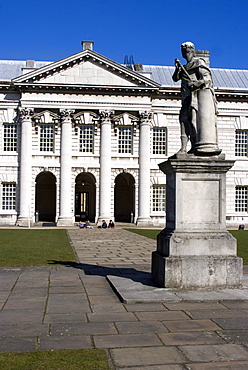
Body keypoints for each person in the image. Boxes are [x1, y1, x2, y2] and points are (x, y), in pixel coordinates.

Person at [172, 41, 221, 155]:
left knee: (194, 121)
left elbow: (207, 80)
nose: (186, 53)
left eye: (188, 51)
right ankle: (183, 147)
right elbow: (175, 78)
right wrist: (177, 68)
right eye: (184, 52)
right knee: (184, 121)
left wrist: (196, 83)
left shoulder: (198, 63)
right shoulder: (184, 67)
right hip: (186, 98)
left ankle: (195, 145)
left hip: (196, 98)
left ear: (192, 52)